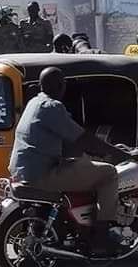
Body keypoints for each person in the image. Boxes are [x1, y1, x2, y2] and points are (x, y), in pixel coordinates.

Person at [9, 66, 128, 255]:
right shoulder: (53, 107)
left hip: (23, 170)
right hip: (44, 173)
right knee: (108, 174)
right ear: (60, 86)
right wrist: (118, 154)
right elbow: (82, 138)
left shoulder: (34, 103)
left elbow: (68, 141)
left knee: (84, 166)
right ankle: (102, 235)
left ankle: (80, 223)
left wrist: (91, 152)